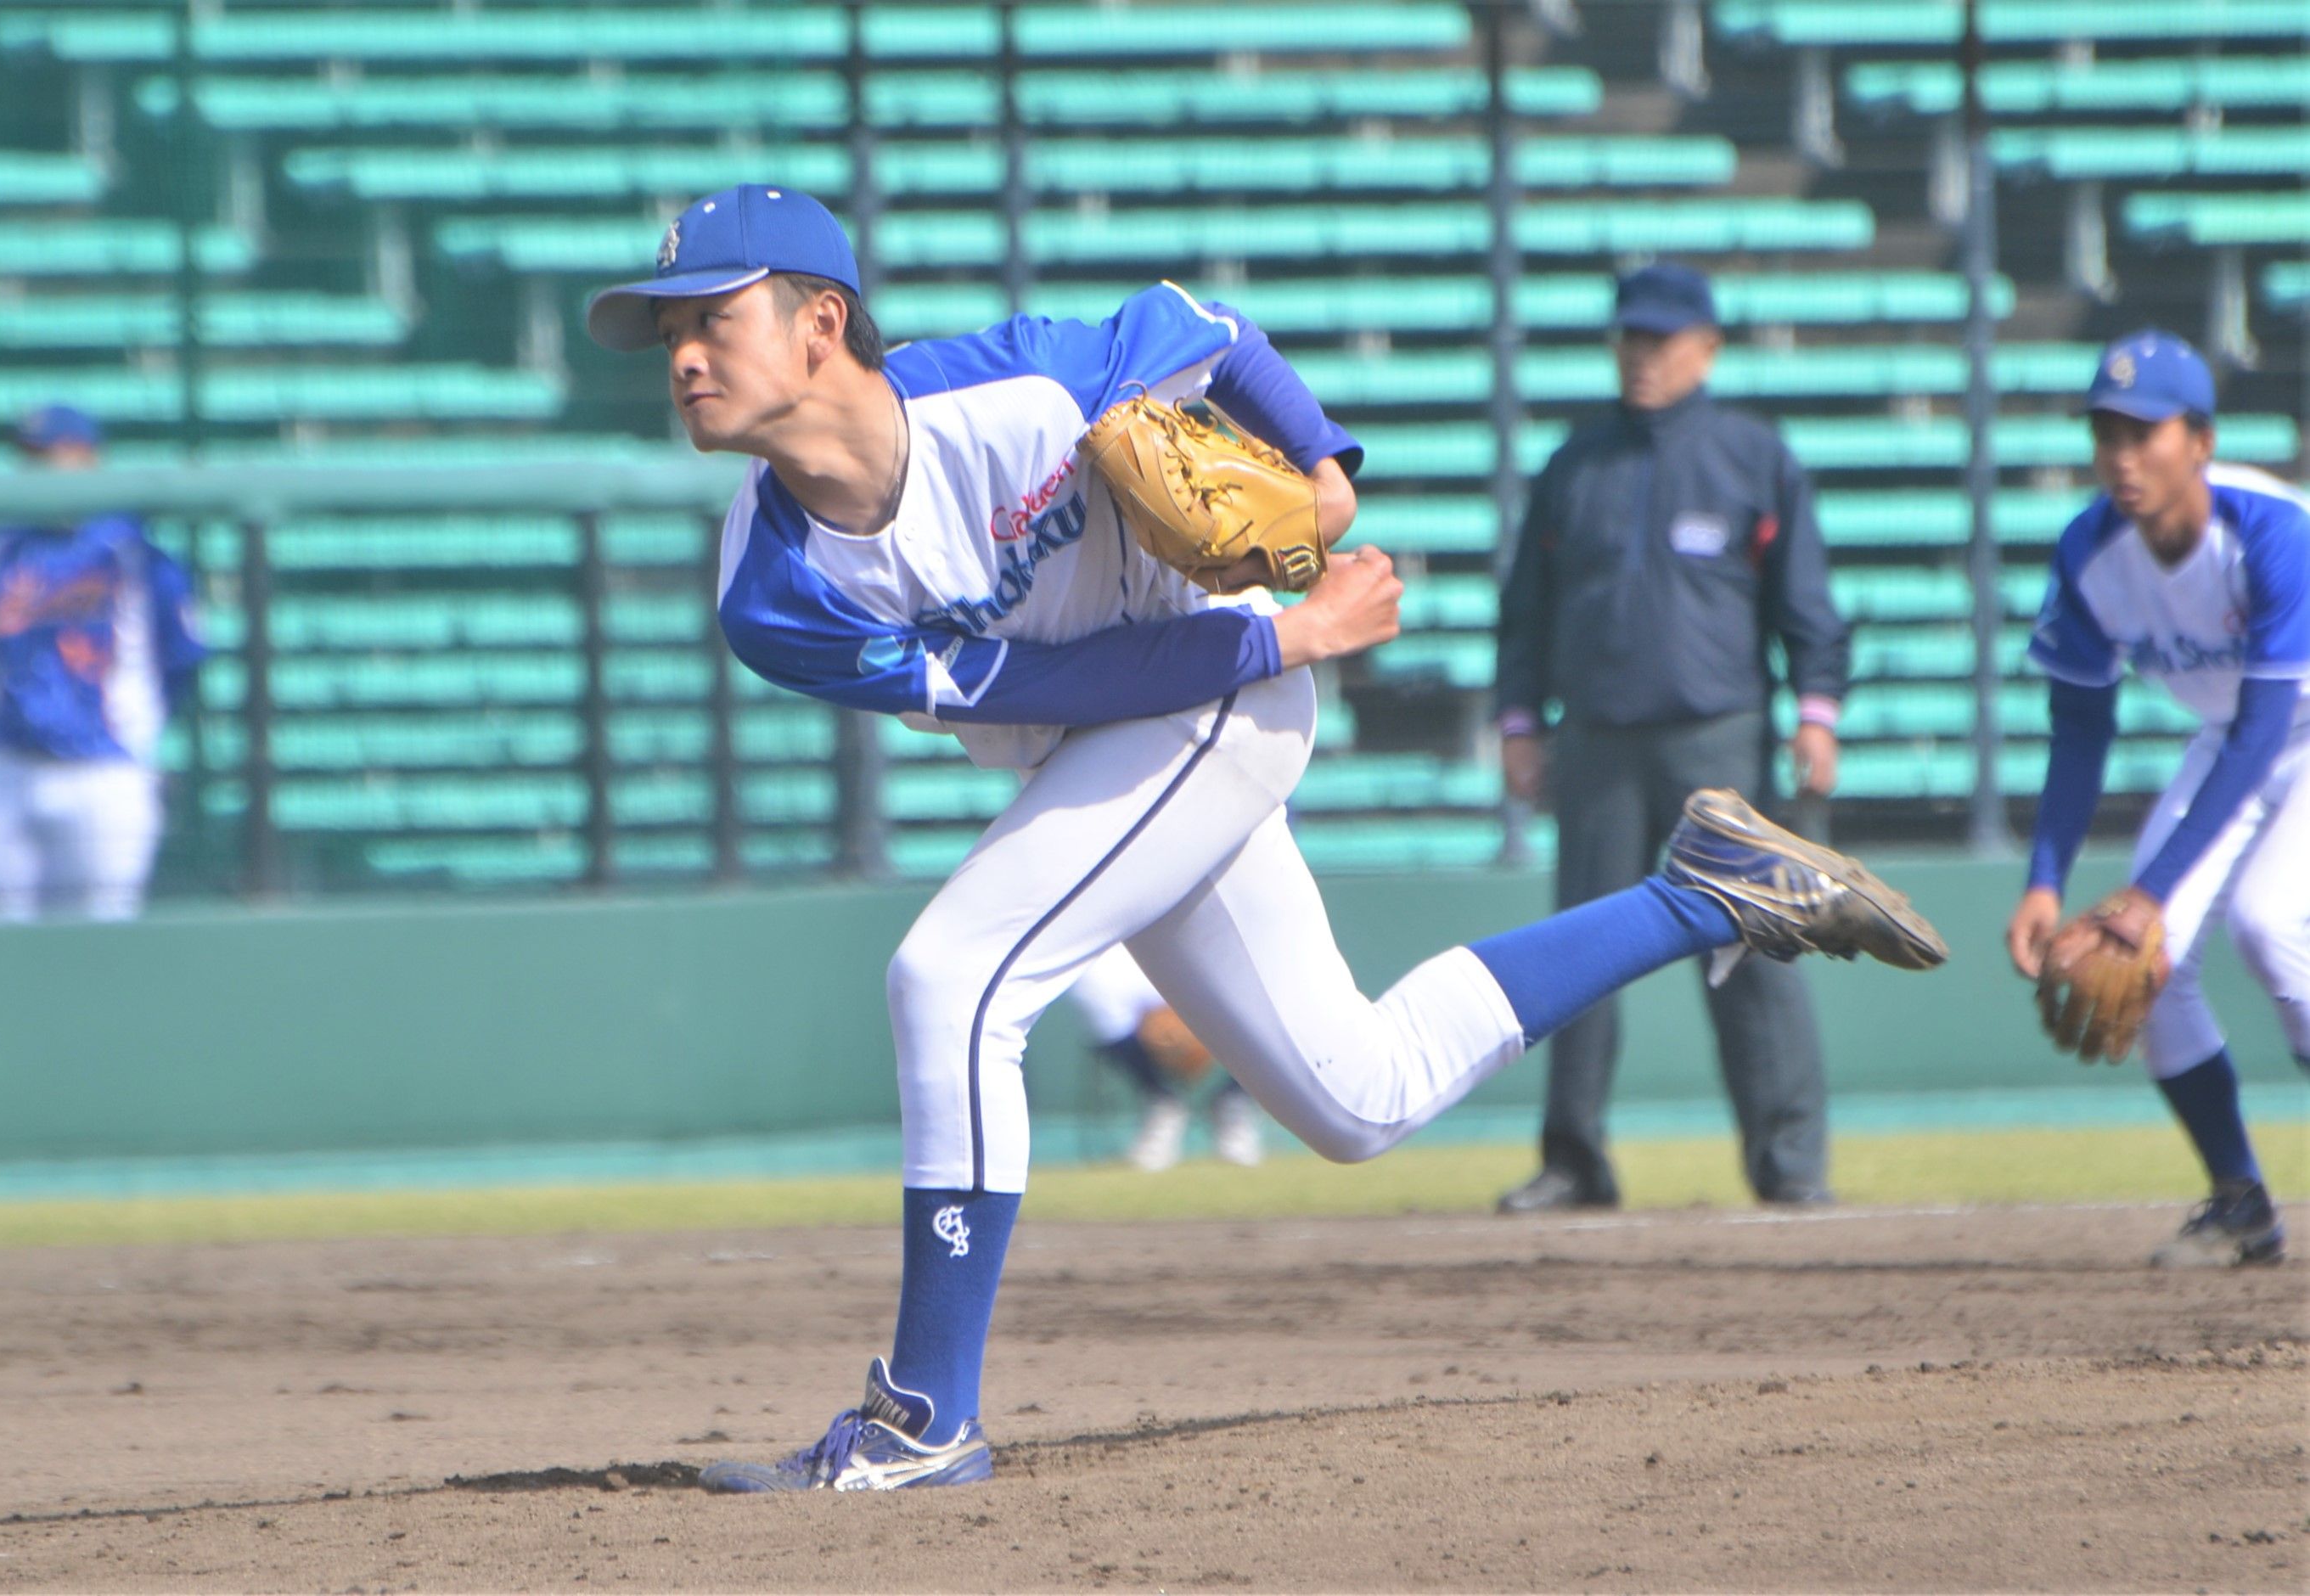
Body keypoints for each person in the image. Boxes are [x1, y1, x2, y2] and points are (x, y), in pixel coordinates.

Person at [583, 184, 1943, 1492]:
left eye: (713, 315)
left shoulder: (1024, 388)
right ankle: (1705, 894)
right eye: (669, 331)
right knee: (1361, 1097)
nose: (683, 354)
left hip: (1215, 716)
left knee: (946, 981)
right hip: (1135, 723)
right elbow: (1024, 688)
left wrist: (1327, 478)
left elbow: (1212, 329)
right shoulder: (769, 590)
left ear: (822, 322)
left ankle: (925, 1413)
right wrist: (1280, 627)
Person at [1491, 263, 1852, 1214]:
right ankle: (1574, 1157)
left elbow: (1807, 602)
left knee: (1752, 946)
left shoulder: (1752, 456)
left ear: (1706, 348)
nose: (1640, 358)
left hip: (1717, 740)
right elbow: (1525, 610)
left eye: (1658, 341)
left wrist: (1819, 710)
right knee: (1580, 953)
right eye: (1627, 340)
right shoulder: (1576, 463)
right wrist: (1520, 723)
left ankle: (1789, 1161)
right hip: (1598, 740)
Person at [2007, 330, 2307, 1269]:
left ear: (2202, 440)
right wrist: (2045, 878)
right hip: (2233, 739)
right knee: (2155, 956)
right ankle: (2239, 1200)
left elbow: (2267, 728)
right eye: (2107, 433)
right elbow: (2081, 728)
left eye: (2146, 432)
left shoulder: (2269, 528)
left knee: (2268, 923)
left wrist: (2147, 889)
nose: (2123, 456)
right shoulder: (2091, 552)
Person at [0, 406, 207, 920]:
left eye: (54, 454)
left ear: (89, 458)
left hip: (106, 769)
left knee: (101, 947)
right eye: (31, 457)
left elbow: (181, 656)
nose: (41, 469)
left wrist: (142, 728)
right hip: (9, 766)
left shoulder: (132, 550)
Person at [1065, 943, 1263, 1170]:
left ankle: (1234, 1100)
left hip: (1202, 941)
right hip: (1125, 947)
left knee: (1271, 984)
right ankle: (1162, 1101)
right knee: (1092, 989)